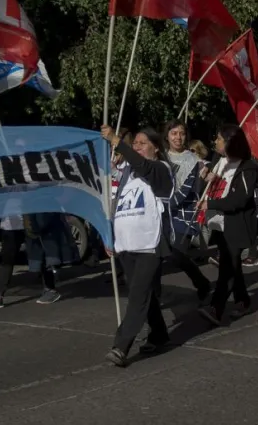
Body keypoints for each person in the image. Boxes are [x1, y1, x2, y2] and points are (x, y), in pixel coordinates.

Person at [101, 125, 174, 367]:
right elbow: (116, 206)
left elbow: (144, 166)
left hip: (149, 245)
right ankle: (160, 333)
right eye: (135, 144)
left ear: (156, 147)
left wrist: (115, 140)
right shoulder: (127, 175)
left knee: (137, 296)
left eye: (143, 143)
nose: (138, 147)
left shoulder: (160, 169)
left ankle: (120, 347)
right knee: (144, 295)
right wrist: (109, 235)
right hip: (126, 245)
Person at [198, 125, 258, 326]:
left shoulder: (248, 167)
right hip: (219, 224)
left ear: (230, 143)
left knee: (228, 268)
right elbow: (212, 186)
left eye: (219, 139)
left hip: (236, 224)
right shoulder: (219, 161)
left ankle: (216, 308)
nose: (215, 142)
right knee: (231, 264)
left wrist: (211, 204)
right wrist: (206, 178)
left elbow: (240, 200)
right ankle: (243, 300)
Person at [163, 120, 212, 299]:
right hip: (163, 211)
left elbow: (205, 175)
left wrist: (209, 175)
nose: (178, 137)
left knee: (177, 254)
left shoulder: (194, 159)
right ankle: (153, 292)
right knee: (159, 254)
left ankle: (201, 282)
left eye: (181, 133)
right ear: (167, 136)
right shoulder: (161, 158)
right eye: (174, 133)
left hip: (184, 212)